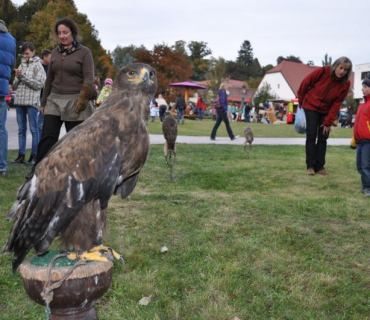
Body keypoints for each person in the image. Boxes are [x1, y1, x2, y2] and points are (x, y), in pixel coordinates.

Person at [33, 18, 95, 170]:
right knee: (47, 137)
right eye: (59, 33)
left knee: (75, 140)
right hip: (54, 99)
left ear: (72, 33)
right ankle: (38, 171)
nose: (62, 36)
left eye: (65, 32)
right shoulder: (54, 53)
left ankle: (79, 171)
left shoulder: (84, 52)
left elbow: (88, 77)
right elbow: (49, 79)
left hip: (75, 100)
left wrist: (83, 97)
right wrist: (44, 101)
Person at [298, 57, 352, 176]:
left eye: (345, 70)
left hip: (326, 111)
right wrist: (301, 100)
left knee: (323, 136)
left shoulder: (345, 84)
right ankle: (310, 166)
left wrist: (328, 121)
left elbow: (337, 103)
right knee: (311, 135)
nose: (342, 71)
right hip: (311, 106)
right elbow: (305, 82)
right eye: (340, 68)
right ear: (335, 66)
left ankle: (320, 166)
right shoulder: (322, 71)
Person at [12, 42, 46, 165]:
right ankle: (21, 155)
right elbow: (15, 84)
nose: (25, 56)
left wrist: (23, 77)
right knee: (21, 129)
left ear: (33, 52)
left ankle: (34, 155)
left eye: (27, 53)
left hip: (32, 102)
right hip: (20, 100)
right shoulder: (21, 64)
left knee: (34, 129)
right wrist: (17, 77)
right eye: (23, 54)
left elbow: (39, 84)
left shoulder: (39, 66)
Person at [0, 20, 16, 176]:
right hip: (2, 88)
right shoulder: (11, 39)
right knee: (1, 129)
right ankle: (2, 166)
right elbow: (12, 64)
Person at [354, 76, 370, 196]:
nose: (362, 89)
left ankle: (368, 188)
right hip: (360, 141)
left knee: (366, 166)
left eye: (365, 87)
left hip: (368, 142)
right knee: (360, 166)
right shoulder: (361, 106)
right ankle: (364, 186)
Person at [38, 49, 51, 144]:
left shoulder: (50, 68)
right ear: (44, 57)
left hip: (46, 98)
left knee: (43, 122)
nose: (51, 58)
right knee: (39, 123)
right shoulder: (39, 67)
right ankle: (40, 141)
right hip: (38, 96)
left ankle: (43, 141)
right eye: (50, 57)